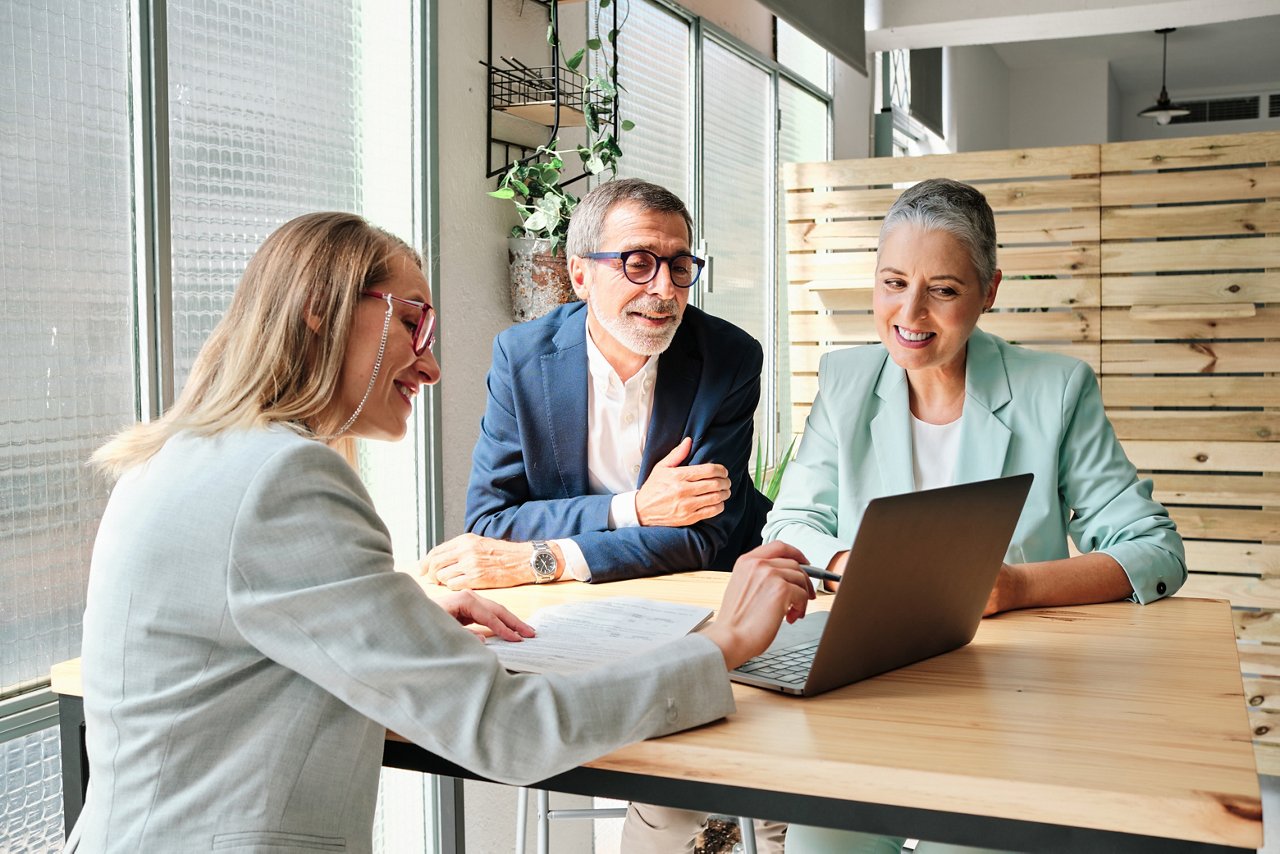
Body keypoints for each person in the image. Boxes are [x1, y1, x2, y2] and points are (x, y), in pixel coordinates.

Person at [70, 212, 815, 853]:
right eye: (411, 321)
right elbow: (505, 730)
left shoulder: (183, 455)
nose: (429, 365)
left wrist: (399, 618)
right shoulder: (284, 480)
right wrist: (719, 648)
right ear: (317, 310)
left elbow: (240, 627)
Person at [763, 178, 1187, 854]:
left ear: (989, 292)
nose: (910, 311)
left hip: (1007, 699)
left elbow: (1153, 550)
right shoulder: (845, 383)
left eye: (944, 290)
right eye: (893, 282)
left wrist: (1018, 587)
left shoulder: (1056, 389)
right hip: (868, 687)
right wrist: (850, 564)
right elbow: (789, 522)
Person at [420, 178, 784, 851]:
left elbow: (702, 540)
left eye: (680, 265)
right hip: (581, 615)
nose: (667, 289)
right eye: (638, 262)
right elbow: (492, 520)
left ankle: (738, 827)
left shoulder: (728, 359)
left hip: (706, 605)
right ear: (580, 274)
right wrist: (633, 508)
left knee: (724, 778)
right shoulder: (522, 357)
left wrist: (549, 552)